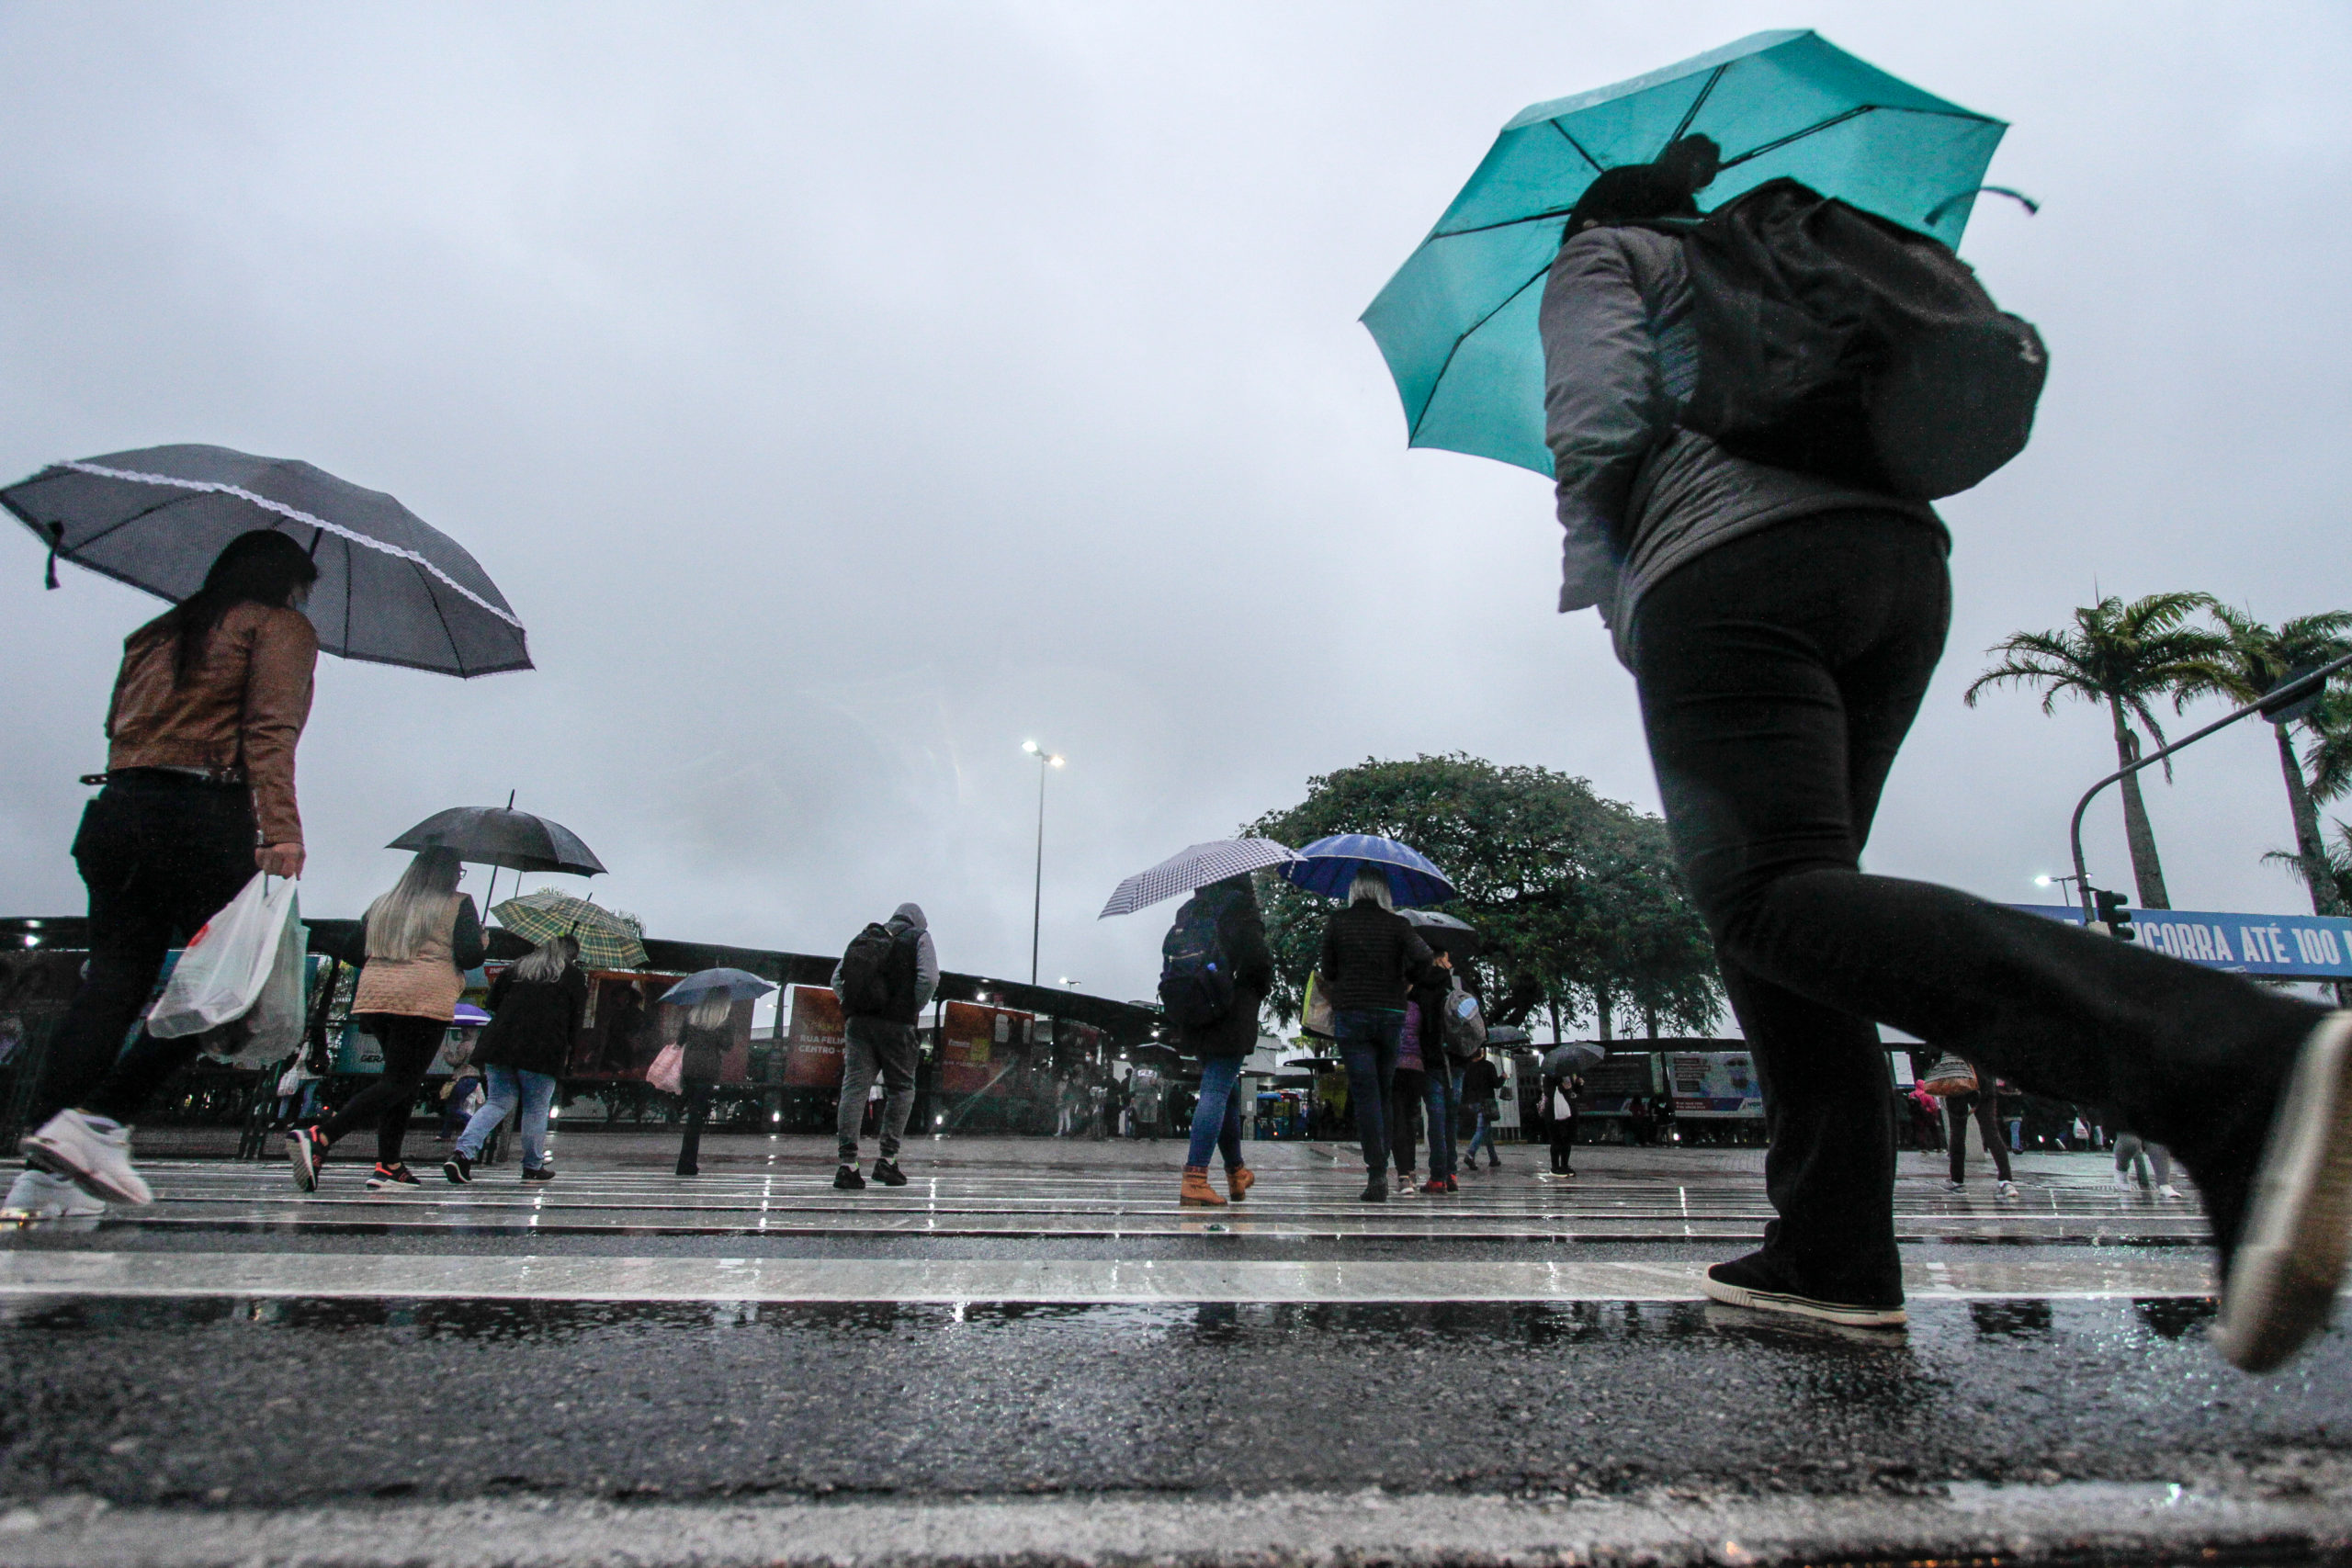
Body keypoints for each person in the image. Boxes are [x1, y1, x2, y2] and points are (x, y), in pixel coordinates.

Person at [1538, 134, 2352, 1362]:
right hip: (1897, 569)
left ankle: (2238, 1062)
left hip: (1725, 570)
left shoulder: (1600, 254)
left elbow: (1596, 425)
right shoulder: (1753, 264)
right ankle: (1831, 1250)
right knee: (1809, 912)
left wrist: (1613, 592)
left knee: (1765, 899)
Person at [12, 531, 321, 1219]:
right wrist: (280, 829)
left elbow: (115, 725)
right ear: (287, 582)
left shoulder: (159, 631)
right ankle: (102, 1120)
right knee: (229, 985)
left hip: (118, 810)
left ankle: (45, 1171)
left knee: (112, 984)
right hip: (204, 813)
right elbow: (270, 731)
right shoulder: (278, 627)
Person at [286, 848, 483, 1192]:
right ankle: (322, 1135)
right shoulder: (457, 903)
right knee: (400, 1083)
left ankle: (389, 1164)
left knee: (398, 1081)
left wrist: (391, 965)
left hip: (376, 999)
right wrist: (480, 940)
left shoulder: (384, 903)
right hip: (422, 999)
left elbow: (351, 949)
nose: (459, 876)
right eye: (458, 871)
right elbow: (468, 957)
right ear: (446, 873)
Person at [1317, 867, 1443, 1202]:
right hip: (1390, 1014)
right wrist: (1406, 982)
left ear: (1354, 890)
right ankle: (1384, 1168)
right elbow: (1425, 957)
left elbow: (1328, 971)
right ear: (1384, 892)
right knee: (1384, 1091)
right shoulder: (1398, 924)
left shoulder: (1337, 922)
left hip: (1353, 1013)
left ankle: (1376, 1174)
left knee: (1366, 1094)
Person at [1169, 874, 1274, 1206]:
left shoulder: (1190, 910)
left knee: (1224, 1093)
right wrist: (1257, 988)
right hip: (1230, 1009)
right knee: (1216, 1089)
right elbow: (1257, 962)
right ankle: (1195, 1177)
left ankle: (1235, 1173)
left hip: (1196, 1009)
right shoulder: (1241, 907)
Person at [445, 935, 583, 1185]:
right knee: (536, 1108)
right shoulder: (571, 976)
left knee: (497, 1102)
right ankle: (532, 1166)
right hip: (543, 1049)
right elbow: (576, 1019)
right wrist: (569, 1055)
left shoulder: (517, 968)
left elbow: (493, 1002)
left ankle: (462, 1154)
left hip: (500, 1045)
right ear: (570, 954)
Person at [830, 902, 937, 1190]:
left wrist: (851, 1006)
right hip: (897, 1026)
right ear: (918, 922)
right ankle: (887, 1161)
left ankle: (847, 1164)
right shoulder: (919, 937)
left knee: (854, 1089)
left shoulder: (867, 936)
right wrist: (911, 1007)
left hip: (859, 1024)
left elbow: (837, 978)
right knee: (901, 1088)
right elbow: (929, 978)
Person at [1409, 953, 1462, 1193]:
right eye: (1448, 959)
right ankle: (1451, 1173)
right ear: (1440, 959)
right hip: (1456, 1060)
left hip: (1429, 1060)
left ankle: (1437, 1177)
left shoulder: (1417, 988)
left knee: (1436, 1118)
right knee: (1451, 1117)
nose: (1451, 963)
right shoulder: (1456, 985)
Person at [670, 989, 734, 1177]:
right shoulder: (724, 1020)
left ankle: (678, 1106)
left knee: (694, 1114)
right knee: (696, 1119)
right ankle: (687, 1163)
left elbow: (680, 1040)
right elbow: (727, 1045)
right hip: (707, 1070)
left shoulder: (693, 1016)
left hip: (689, 1067)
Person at [1941, 1084, 2018, 1199]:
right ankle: (2006, 1181)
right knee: (1991, 1131)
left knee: (1957, 1133)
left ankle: (1957, 1182)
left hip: (1957, 1083)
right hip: (1983, 1083)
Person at [1389, 998, 1429, 1193]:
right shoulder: (1417, 1006)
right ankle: (1410, 1171)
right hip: (1416, 1067)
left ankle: (1403, 1175)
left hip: (1394, 1067)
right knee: (1411, 1119)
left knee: (1398, 1120)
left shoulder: (1390, 1003)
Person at [1460, 1045, 1504, 1169]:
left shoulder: (1467, 1067)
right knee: (1481, 1129)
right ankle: (1470, 1154)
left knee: (1486, 1130)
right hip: (1486, 1103)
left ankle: (1493, 1158)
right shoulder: (1488, 1066)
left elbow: (1464, 1086)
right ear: (1482, 1053)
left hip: (1472, 1103)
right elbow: (1496, 1084)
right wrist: (1503, 1078)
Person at [1544, 1068, 1583, 1176]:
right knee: (1557, 1140)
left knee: (1567, 1140)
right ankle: (1555, 1167)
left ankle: (1565, 1165)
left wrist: (1579, 1084)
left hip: (1570, 1112)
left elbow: (1576, 1093)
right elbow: (1548, 1092)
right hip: (1555, 1112)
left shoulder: (1572, 1075)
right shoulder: (1550, 1075)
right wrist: (1561, 1087)